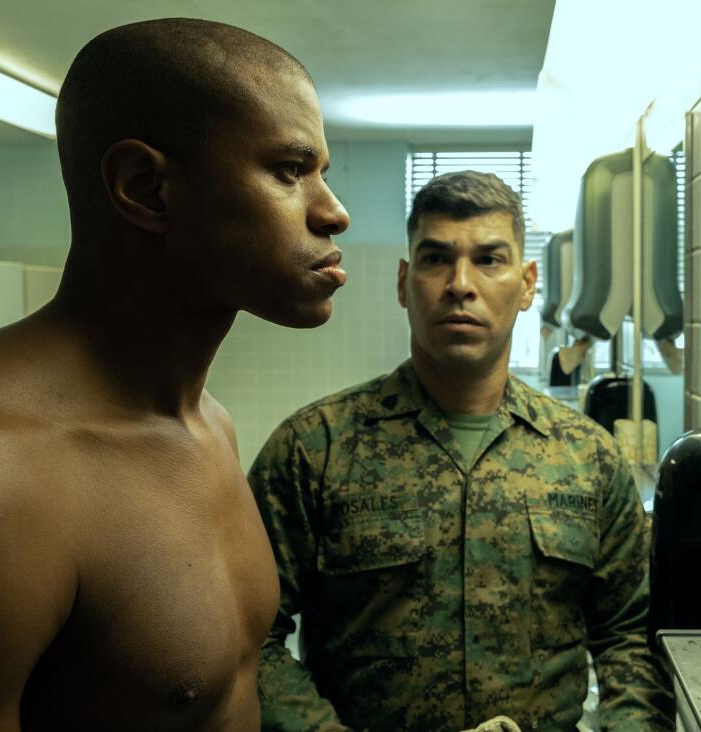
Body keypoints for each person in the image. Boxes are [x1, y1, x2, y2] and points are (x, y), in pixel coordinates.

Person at [0, 18, 349, 730]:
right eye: (289, 171)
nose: (333, 212)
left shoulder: (206, 423)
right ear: (145, 188)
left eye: (323, 172)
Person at [249, 171, 674, 731]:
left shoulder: (588, 458)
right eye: (435, 259)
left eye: (489, 259)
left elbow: (629, 640)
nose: (460, 284)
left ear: (527, 284)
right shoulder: (316, 450)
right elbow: (250, 638)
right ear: (404, 282)